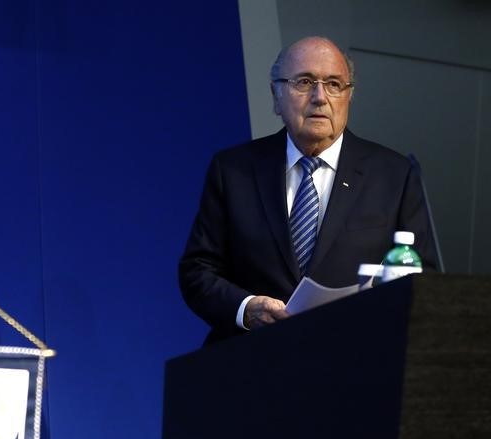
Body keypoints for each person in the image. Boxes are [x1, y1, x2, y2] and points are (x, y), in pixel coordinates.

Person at [179, 36, 438, 345]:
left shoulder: (394, 175)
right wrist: (247, 309)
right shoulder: (233, 171)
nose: (319, 97)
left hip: (358, 361)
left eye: (333, 84)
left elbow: (425, 279)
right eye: (304, 82)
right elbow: (197, 271)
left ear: (348, 97)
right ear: (276, 96)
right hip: (252, 363)